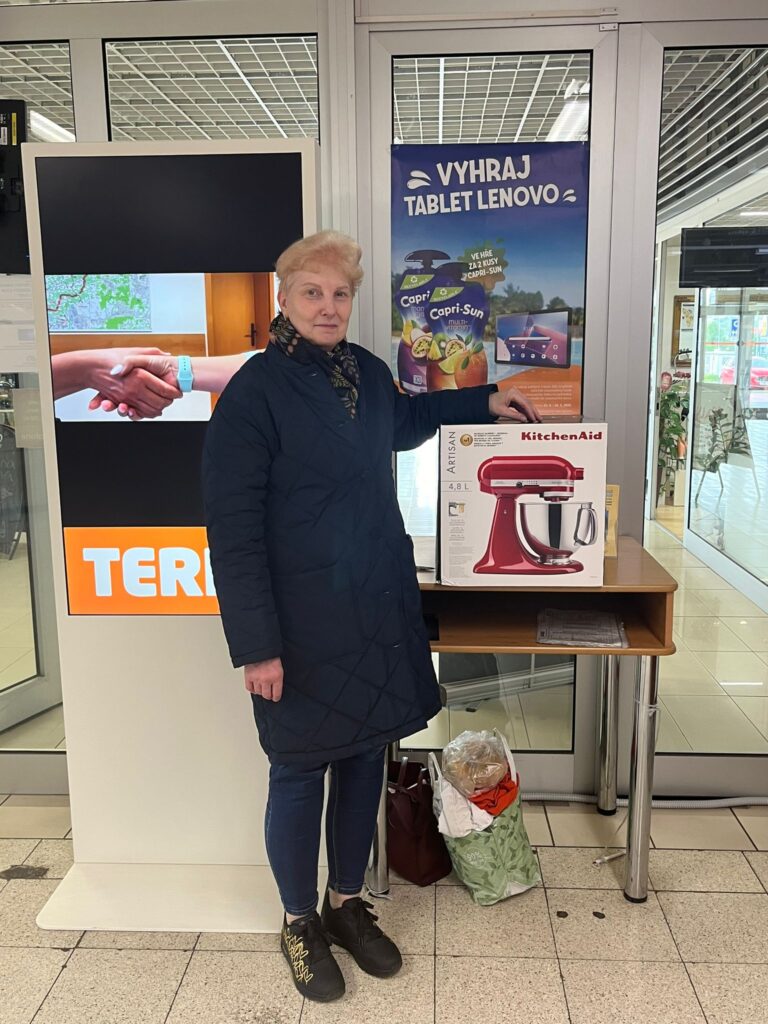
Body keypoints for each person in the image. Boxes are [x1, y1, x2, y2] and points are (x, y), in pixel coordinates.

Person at [201, 231, 540, 1003]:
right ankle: (298, 922)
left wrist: (483, 400)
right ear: (283, 297)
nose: (328, 307)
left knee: (362, 763)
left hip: (373, 608)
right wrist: (256, 647)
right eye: (312, 292)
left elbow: (405, 420)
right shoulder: (254, 394)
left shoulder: (363, 372)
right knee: (298, 773)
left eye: (341, 294)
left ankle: (346, 904)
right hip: (298, 626)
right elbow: (232, 534)